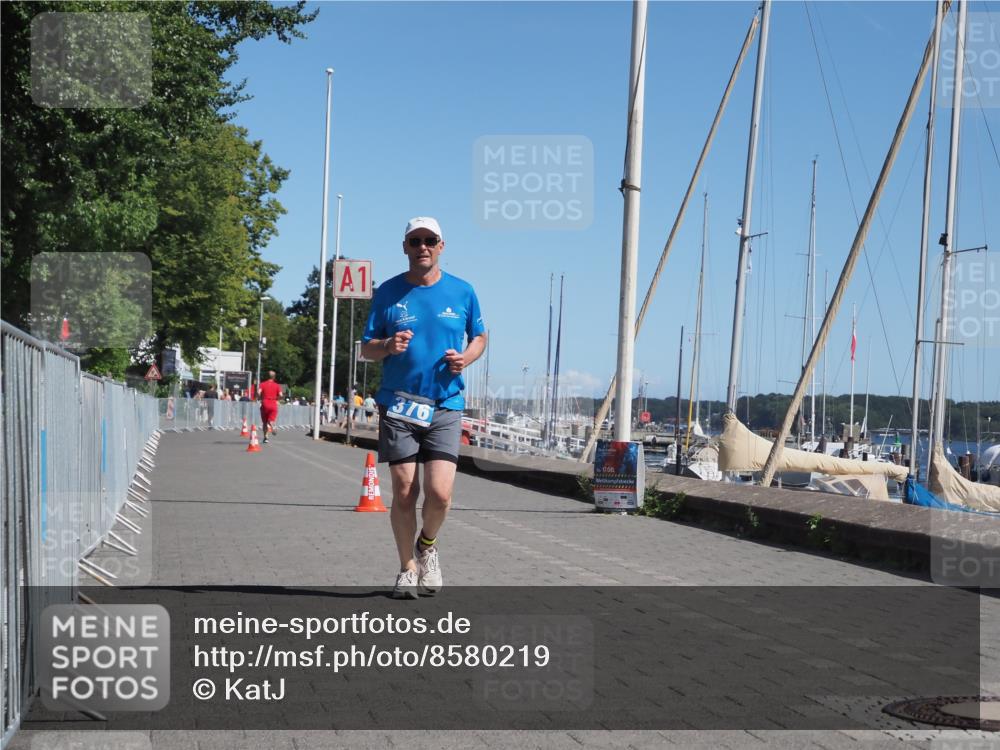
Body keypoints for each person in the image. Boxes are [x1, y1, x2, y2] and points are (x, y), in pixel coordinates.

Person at [361, 216, 487, 599]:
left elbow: (480, 337)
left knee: (440, 493)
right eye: (415, 241)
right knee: (403, 491)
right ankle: (406, 568)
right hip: (399, 403)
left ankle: (427, 546)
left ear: (441, 245)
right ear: (405, 247)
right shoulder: (388, 292)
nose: (422, 247)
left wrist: (465, 358)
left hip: (445, 404)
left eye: (430, 240)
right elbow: (367, 348)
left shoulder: (463, 292)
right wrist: (387, 347)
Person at [257, 371, 282, 443]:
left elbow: (259, 392)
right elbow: (280, 395)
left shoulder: (262, 384)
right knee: (271, 420)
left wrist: (259, 398)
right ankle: (272, 426)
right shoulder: (277, 385)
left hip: (265, 403)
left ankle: (266, 438)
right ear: (274, 377)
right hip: (273, 404)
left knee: (264, 422)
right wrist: (277, 399)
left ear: (266, 376)